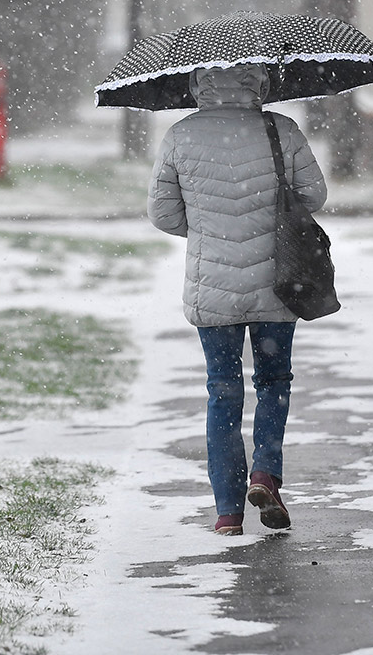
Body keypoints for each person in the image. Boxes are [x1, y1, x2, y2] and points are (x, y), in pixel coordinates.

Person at [147, 63, 327, 535]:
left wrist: (208, 231)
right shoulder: (281, 129)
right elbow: (314, 194)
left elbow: (163, 214)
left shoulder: (181, 135)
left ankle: (228, 510)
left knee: (222, 392)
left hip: (213, 289)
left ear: (196, 82)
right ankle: (265, 472)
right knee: (274, 381)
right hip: (278, 280)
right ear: (261, 81)